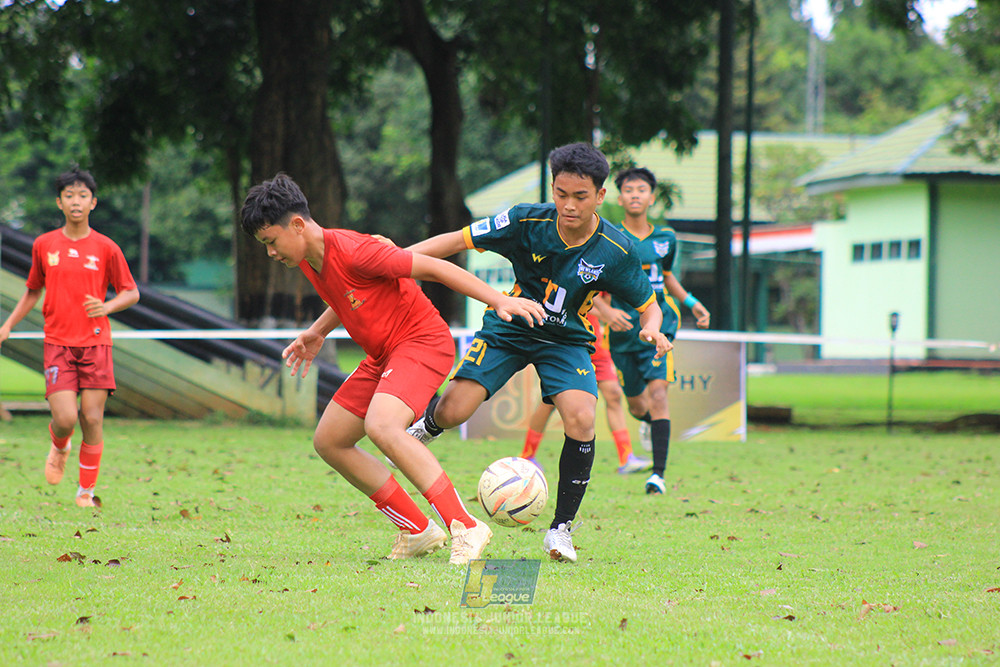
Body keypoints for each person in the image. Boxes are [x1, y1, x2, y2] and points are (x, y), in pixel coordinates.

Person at [239, 173, 545, 566]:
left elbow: (435, 268)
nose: (270, 253)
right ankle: (417, 530)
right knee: (329, 440)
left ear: (296, 225)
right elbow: (350, 293)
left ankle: (464, 524)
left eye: (270, 242)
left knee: (382, 426)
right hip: (383, 355)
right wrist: (317, 332)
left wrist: (499, 301)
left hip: (421, 343)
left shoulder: (355, 250)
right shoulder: (310, 257)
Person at [405, 142, 672, 563]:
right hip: (511, 324)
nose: (568, 205)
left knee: (583, 418)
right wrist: (396, 259)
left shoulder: (618, 250)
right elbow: (457, 240)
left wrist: (653, 330)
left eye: (580, 196)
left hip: (566, 339)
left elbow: (649, 306)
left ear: (601, 196)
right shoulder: (524, 220)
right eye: (560, 194)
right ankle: (424, 430)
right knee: (454, 411)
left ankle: (560, 530)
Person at [0, 168, 140, 508]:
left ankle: (85, 493)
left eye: (82, 196)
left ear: (93, 202)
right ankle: (59, 446)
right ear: (59, 202)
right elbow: (33, 290)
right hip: (58, 343)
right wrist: (8, 325)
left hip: (96, 344)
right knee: (64, 418)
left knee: (91, 417)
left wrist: (106, 307)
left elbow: (131, 292)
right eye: (69, 196)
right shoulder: (44, 245)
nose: (75, 202)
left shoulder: (106, 248)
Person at [599, 167, 711, 495]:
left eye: (642, 189)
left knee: (659, 395)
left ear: (651, 197)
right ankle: (650, 424)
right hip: (623, 336)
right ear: (619, 198)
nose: (635, 194)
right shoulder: (608, 237)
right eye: (629, 190)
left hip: (662, 329)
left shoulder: (666, 238)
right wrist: (606, 312)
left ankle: (658, 475)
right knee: (637, 406)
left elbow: (667, 276)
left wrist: (692, 302)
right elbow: (591, 285)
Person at [520, 310, 650, 475]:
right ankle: (527, 455)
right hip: (569, 341)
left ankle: (626, 457)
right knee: (550, 401)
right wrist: (606, 314)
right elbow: (586, 297)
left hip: (595, 342)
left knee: (614, 393)